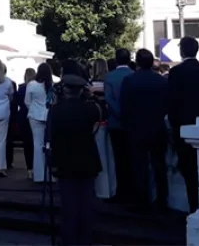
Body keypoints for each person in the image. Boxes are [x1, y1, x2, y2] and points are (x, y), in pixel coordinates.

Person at [46, 61, 105, 246]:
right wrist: (92, 97)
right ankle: (85, 239)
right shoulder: (90, 108)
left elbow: (51, 137)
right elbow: (103, 113)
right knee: (86, 205)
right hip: (87, 162)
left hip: (64, 163)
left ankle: (70, 241)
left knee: (68, 207)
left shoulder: (56, 111)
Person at [167, 36, 199, 213]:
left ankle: (192, 206)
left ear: (182, 51)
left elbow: (170, 101)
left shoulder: (175, 73)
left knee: (187, 168)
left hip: (182, 126)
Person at [120, 49, 170, 212]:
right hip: (157, 126)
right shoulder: (161, 81)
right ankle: (162, 198)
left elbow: (124, 106)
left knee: (139, 166)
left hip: (136, 127)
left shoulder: (129, 81)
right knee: (159, 165)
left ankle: (142, 199)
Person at [103, 48, 134, 204]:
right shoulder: (134, 75)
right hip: (133, 123)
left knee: (119, 159)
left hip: (116, 123)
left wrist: (118, 113)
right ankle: (134, 191)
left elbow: (108, 98)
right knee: (134, 159)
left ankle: (121, 191)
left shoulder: (110, 76)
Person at [24, 62, 52, 183]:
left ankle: (39, 175)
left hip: (35, 116)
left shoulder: (32, 84)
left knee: (37, 145)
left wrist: (33, 109)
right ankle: (50, 174)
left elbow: (27, 101)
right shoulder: (51, 85)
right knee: (49, 145)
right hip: (48, 115)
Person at [15, 68, 36, 180]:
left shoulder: (22, 88)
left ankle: (29, 169)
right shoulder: (38, 87)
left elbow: (18, 101)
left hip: (23, 116)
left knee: (27, 144)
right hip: (34, 116)